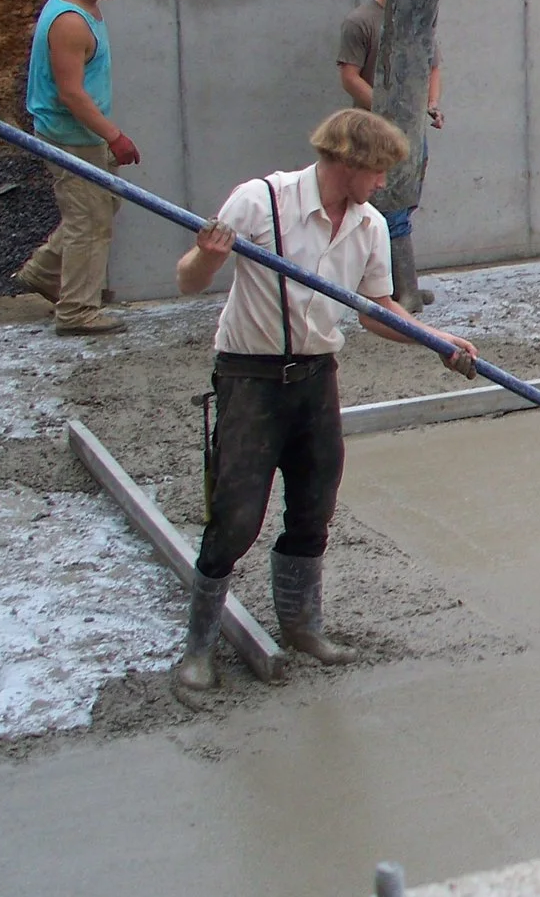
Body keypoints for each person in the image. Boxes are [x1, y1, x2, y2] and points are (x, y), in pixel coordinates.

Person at [166, 108, 476, 704]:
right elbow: (188, 280)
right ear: (347, 161)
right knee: (235, 516)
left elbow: (375, 308)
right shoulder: (260, 202)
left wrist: (436, 342)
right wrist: (208, 253)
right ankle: (199, 648)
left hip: (314, 378)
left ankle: (303, 627)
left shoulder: (368, 226)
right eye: (378, 170)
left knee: (314, 506)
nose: (383, 183)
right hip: (250, 379)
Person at [15, 0, 141, 337]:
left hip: (86, 132)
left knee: (104, 204)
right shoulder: (70, 23)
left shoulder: (81, 5)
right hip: (72, 135)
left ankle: (44, 273)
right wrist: (114, 136)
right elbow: (70, 93)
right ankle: (76, 311)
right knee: (88, 219)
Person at [336, 0, 443, 309]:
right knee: (387, 207)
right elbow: (349, 76)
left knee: (404, 203)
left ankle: (400, 286)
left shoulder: (417, 19)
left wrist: (430, 104)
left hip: (410, 131)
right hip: (373, 134)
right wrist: (386, 112)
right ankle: (401, 290)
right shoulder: (361, 21)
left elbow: (433, 65)